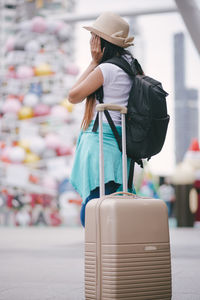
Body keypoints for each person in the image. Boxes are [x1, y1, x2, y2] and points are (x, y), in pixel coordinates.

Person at [68, 11, 136, 227]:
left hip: (101, 147)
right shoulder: (131, 66)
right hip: (120, 146)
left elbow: (73, 95)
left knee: (92, 208)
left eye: (94, 38)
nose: (91, 42)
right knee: (113, 204)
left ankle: (100, 253)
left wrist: (93, 62)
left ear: (102, 42)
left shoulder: (107, 69)